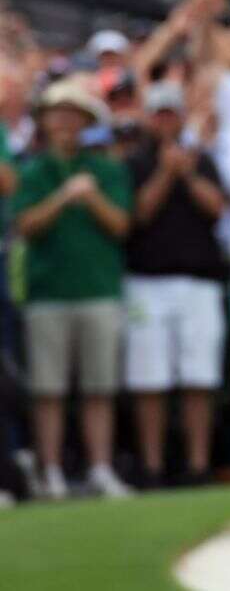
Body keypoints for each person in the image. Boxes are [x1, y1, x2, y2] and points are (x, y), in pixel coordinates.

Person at [11, 79, 133, 499]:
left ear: (85, 123)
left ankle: (99, 469)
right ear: (44, 122)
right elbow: (25, 226)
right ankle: (52, 473)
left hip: (98, 289)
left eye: (72, 115)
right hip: (48, 294)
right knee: (49, 391)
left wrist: (92, 197)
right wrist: (63, 197)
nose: (64, 121)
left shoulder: (107, 170)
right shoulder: (34, 171)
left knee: (99, 387)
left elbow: (121, 226)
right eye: (57, 114)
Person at [123, 81, 228, 486]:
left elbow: (218, 209)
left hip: (199, 282)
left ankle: (198, 466)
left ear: (181, 116)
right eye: (159, 113)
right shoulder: (134, 162)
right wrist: (167, 174)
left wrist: (185, 174)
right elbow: (137, 216)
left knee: (199, 377)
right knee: (149, 380)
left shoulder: (202, 160)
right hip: (147, 282)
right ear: (149, 118)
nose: (165, 120)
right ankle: (152, 469)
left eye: (171, 113)